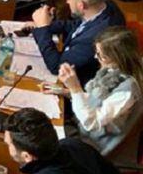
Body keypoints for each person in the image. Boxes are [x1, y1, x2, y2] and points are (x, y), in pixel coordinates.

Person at [59, 26, 143, 165]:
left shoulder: (128, 91)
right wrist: (67, 92)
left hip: (96, 148)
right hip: (83, 131)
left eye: (101, 55)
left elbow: (92, 123)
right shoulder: (114, 71)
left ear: (118, 58)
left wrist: (75, 88)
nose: (96, 57)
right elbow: (97, 101)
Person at [30, 0, 125, 85]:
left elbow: (57, 67)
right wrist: (46, 24)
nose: (67, 3)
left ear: (81, 5)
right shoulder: (103, 5)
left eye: (68, 0)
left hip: (81, 83)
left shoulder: (95, 38)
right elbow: (76, 25)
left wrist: (43, 28)